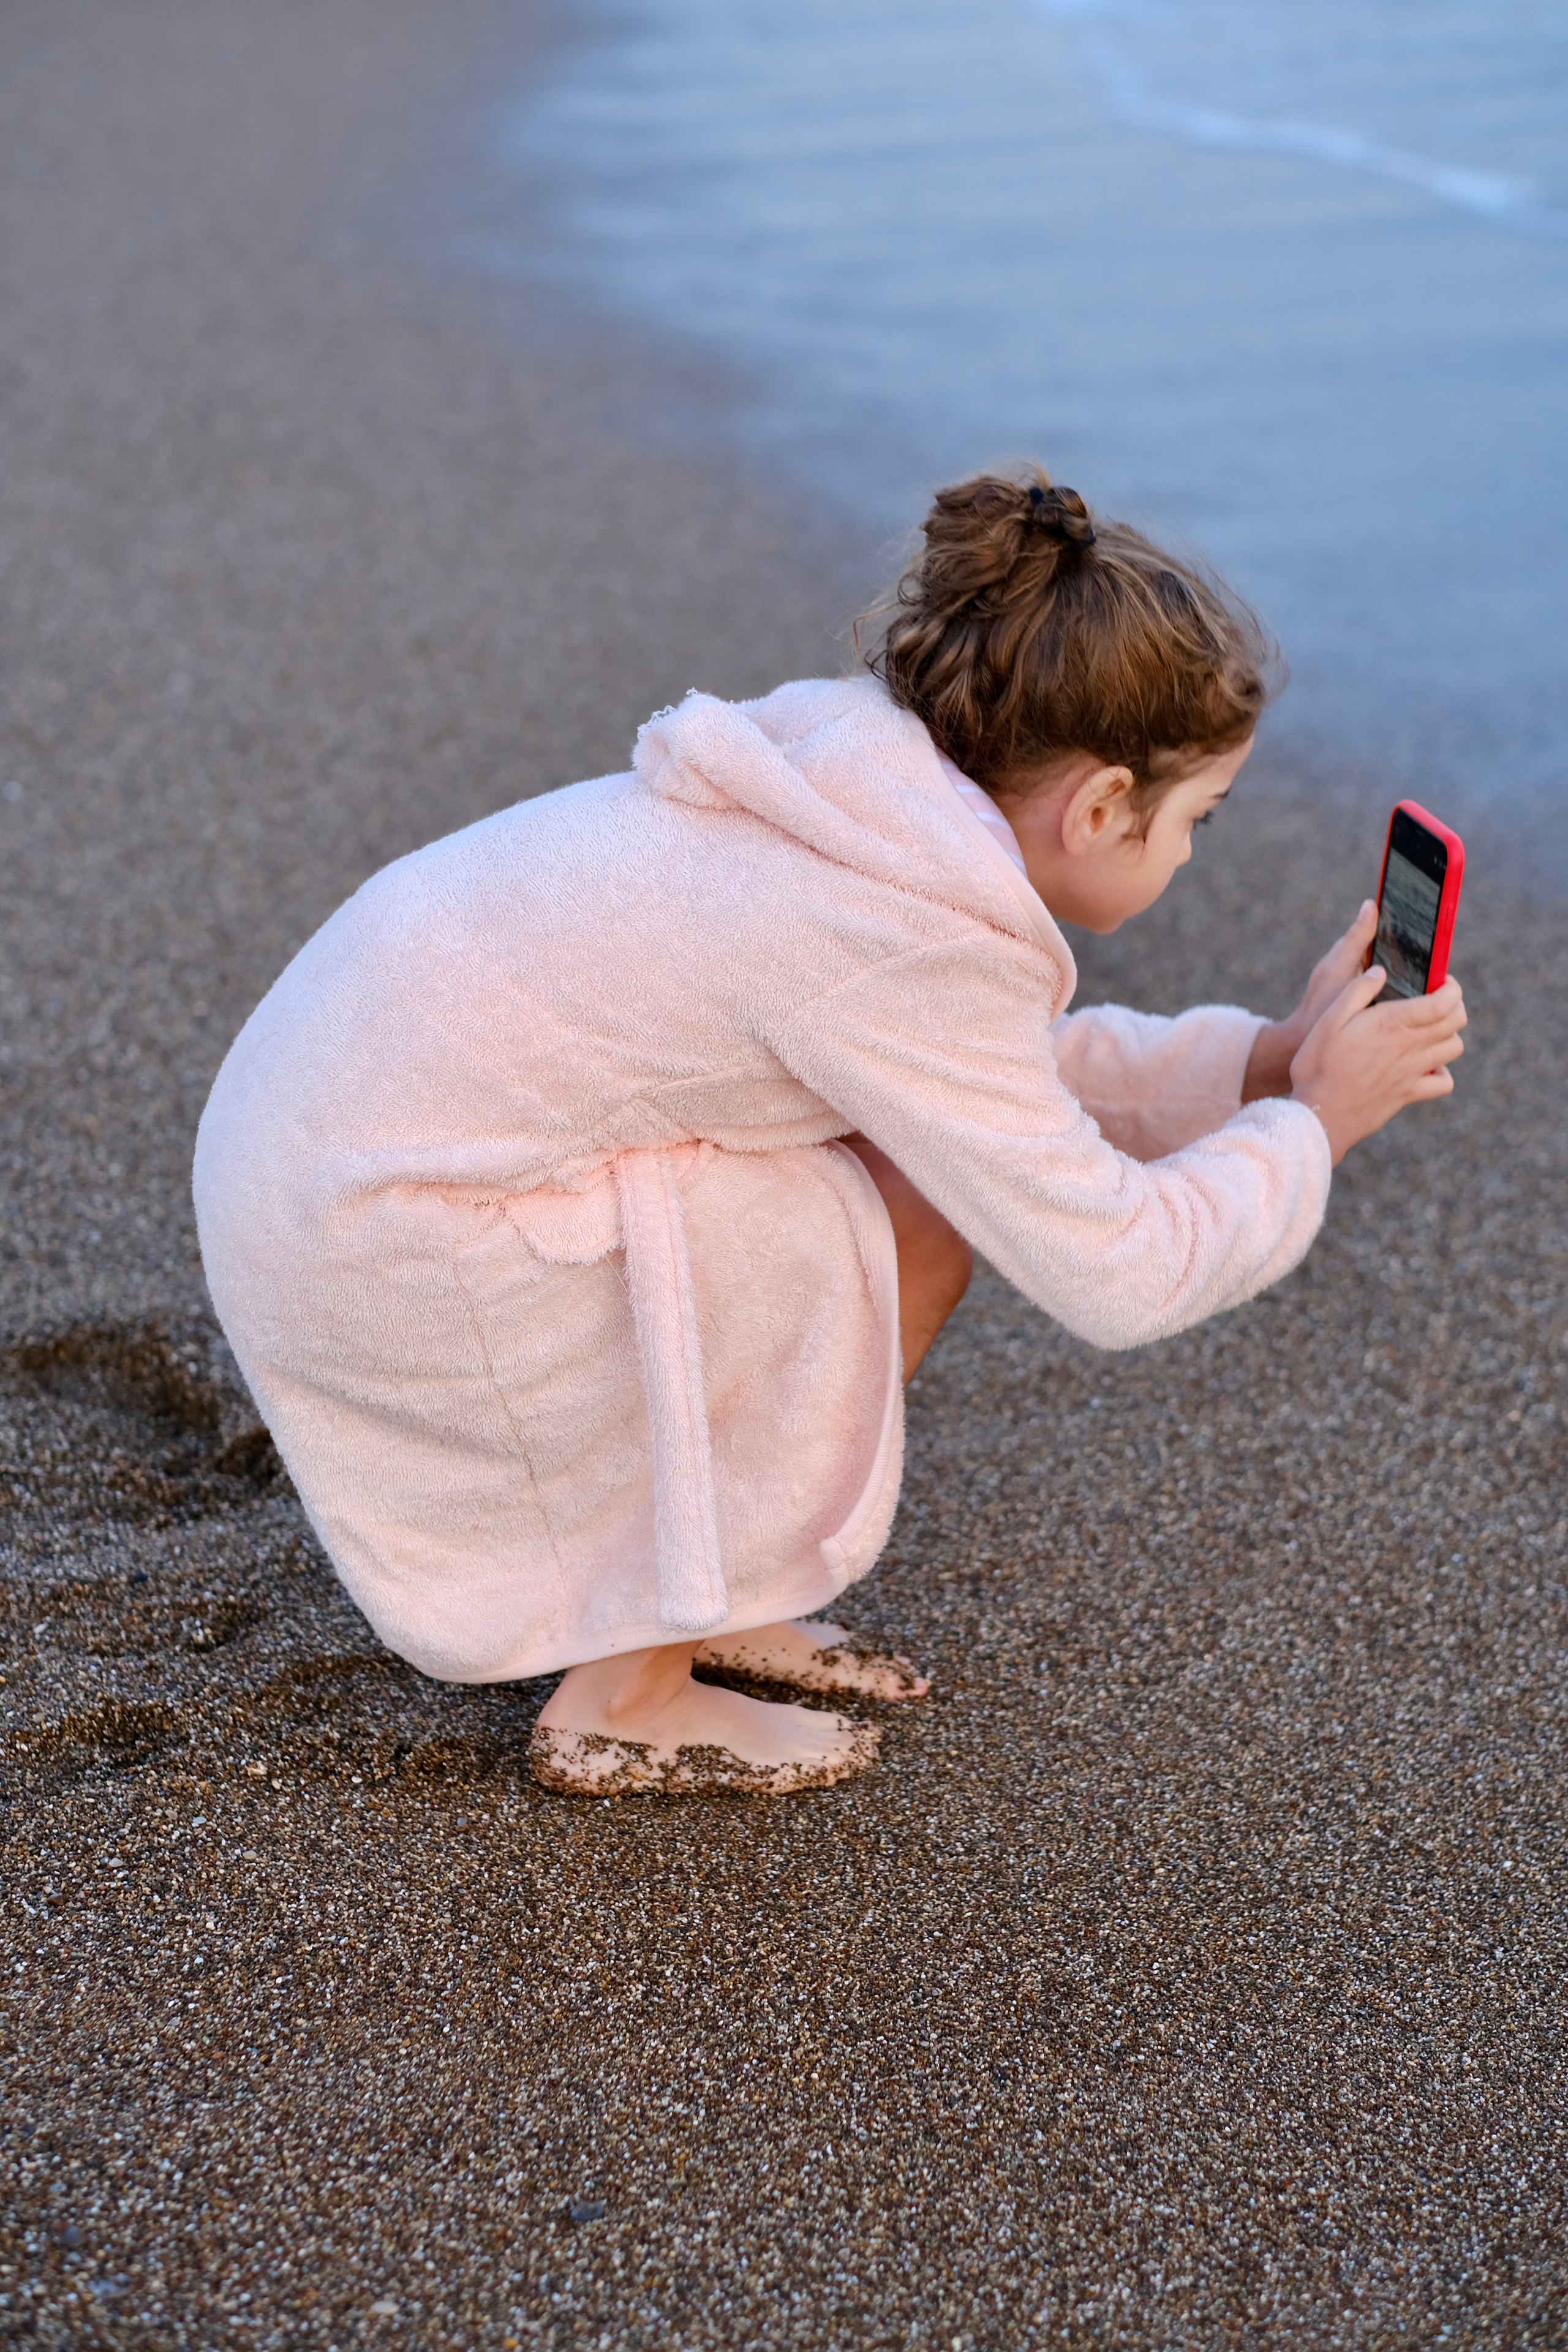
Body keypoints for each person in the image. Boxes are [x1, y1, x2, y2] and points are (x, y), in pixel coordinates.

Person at [193, 468, 1466, 1798]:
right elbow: (1119, 1267)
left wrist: (1265, 1062)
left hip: (315, 1163)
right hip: (378, 1238)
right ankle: (622, 1695)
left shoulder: (868, 806)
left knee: (901, 1178)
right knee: (881, 1211)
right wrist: (1315, 1124)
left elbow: (983, 1090)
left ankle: (720, 1585)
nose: (1191, 854)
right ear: (1097, 808)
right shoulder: (893, 925)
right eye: (1192, 821)